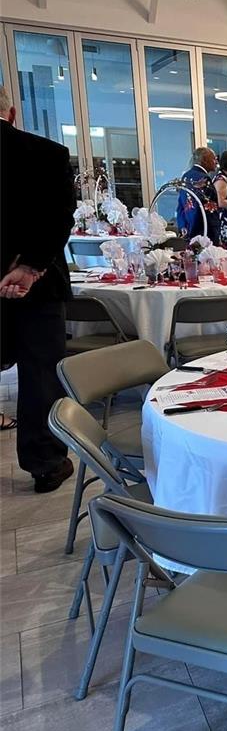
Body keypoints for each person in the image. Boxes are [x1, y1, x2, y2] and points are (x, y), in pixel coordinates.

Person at [0, 85, 76, 492]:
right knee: (39, 374)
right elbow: (60, 217)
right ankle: (45, 462)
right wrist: (30, 267)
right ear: (11, 113)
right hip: (40, 286)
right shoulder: (47, 154)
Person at [176, 147, 218, 243]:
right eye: (214, 158)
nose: (216, 162)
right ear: (204, 160)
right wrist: (215, 233)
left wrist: (183, 226)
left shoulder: (186, 176)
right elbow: (210, 210)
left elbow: (181, 206)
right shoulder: (203, 179)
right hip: (203, 231)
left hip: (188, 228)